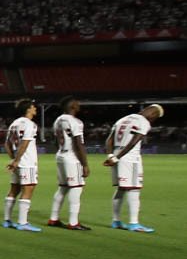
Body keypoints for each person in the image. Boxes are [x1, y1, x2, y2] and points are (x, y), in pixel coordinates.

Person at [103, 103, 163, 233]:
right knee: (134, 190)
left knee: (121, 189)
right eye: (155, 117)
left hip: (116, 156)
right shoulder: (144, 122)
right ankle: (134, 223)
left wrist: (111, 156)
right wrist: (118, 157)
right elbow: (134, 142)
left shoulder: (123, 119)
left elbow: (109, 140)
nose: (153, 119)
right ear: (153, 114)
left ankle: (116, 221)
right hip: (130, 159)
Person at [47, 96, 90, 230]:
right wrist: (85, 164)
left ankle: (53, 219)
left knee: (63, 188)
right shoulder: (75, 122)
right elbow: (78, 144)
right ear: (72, 106)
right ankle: (73, 222)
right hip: (71, 157)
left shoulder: (58, 120)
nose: (79, 104)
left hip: (60, 155)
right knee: (76, 188)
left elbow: (54, 140)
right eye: (77, 103)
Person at [3, 98, 42, 232]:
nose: (35, 108)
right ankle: (23, 222)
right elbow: (25, 143)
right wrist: (17, 160)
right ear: (28, 109)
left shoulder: (14, 124)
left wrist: (13, 159)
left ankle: (7, 220)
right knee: (28, 189)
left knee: (14, 189)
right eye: (33, 107)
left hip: (18, 163)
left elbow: (7, 144)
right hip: (27, 162)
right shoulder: (30, 124)